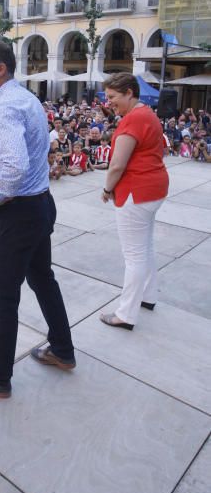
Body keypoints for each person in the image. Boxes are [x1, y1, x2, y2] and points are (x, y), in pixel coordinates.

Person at [0, 41, 75, 399]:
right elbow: (10, 151)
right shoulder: (26, 99)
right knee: (43, 280)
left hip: (19, 212)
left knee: (3, 298)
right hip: (40, 206)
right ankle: (63, 350)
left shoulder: (5, 105)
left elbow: (13, 166)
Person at [100, 72, 169, 330]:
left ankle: (126, 314)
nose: (109, 102)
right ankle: (148, 296)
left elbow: (117, 164)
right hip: (154, 188)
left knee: (134, 255)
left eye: (112, 97)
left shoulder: (133, 120)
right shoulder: (147, 114)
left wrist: (107, 189)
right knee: (145, 247)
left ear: (129, 92)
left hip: (136, 191)